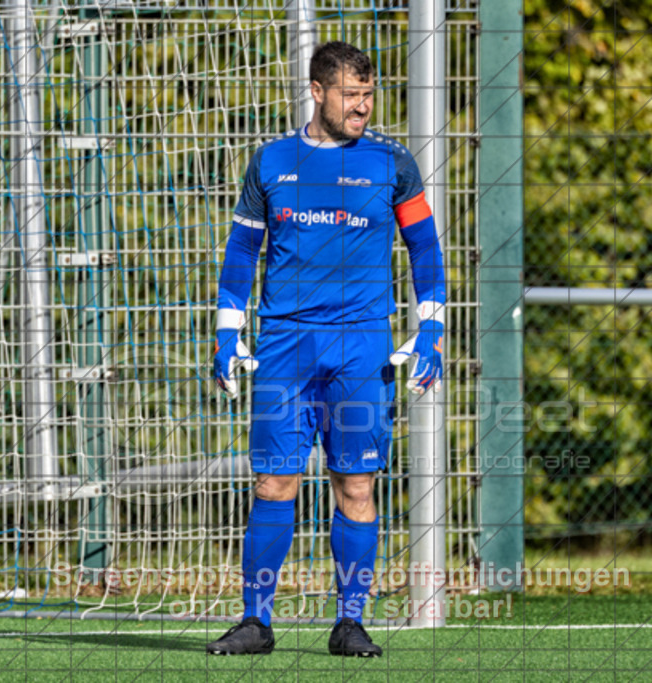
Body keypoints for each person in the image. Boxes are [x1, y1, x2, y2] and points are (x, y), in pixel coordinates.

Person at [207, 41, 445, 657]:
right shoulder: (271, 162)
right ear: (317, 92)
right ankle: (256, 621)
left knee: (356, 486)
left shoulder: (393, 164)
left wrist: (433, 327)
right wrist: (226, 333)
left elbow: (424, 248)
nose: (362, 106)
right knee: (272, 485)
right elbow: (241, 254)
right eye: (350, 96)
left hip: (362, 346)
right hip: (284, 345)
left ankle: (350, 621)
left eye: (368, 95)